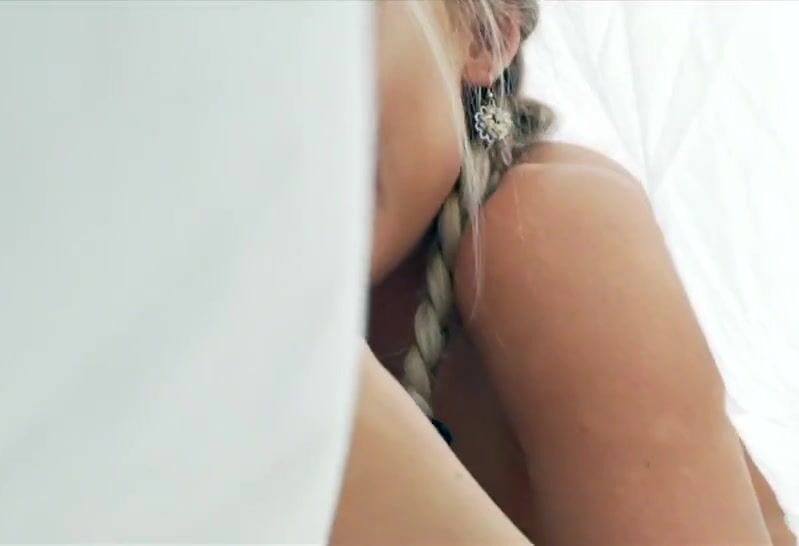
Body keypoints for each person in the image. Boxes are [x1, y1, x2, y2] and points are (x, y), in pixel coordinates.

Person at [338, 1, 795, 544]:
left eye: (325, 32)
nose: (281, 118)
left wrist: (365, 430)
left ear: (483, 36)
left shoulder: (546, 231)